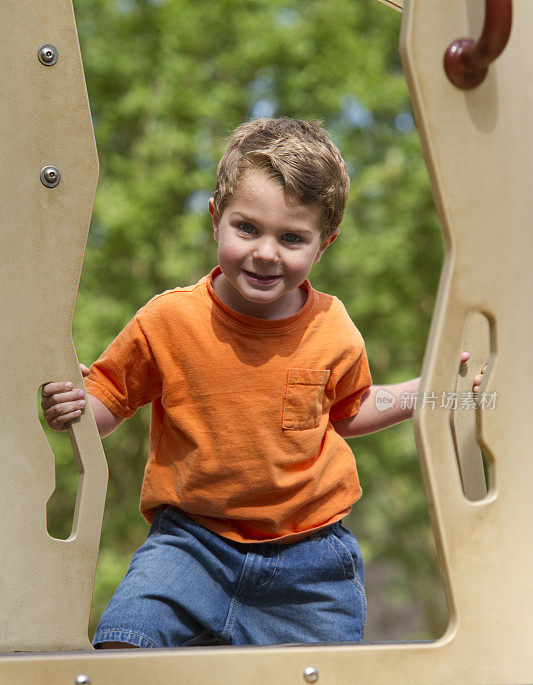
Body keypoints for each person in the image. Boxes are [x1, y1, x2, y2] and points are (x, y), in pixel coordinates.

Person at [41, 117, 477, 649]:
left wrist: (427, 390)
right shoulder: (168, 321)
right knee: (125, 647)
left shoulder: (332, 327)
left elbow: (349, 411)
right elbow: (109, 401)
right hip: (190, 545)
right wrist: (76, 405)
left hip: (309, 560)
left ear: (324, 245)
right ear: (216, 217)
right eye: (247, 227)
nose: (266, 252)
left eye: (292, 237)